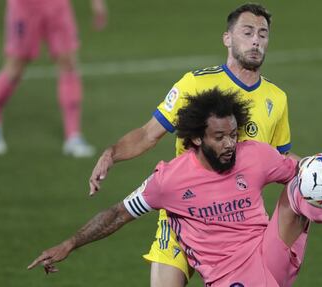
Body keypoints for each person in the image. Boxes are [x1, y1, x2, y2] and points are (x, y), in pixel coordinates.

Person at [28, 89, 322, 286]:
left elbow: (298, 171)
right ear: (196, 138)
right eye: (219, 137)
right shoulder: (170, 180)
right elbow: (118, 213)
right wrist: (71, 243)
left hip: (271, 253)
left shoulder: (254, 155)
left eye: (233, 135)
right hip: (230, 278)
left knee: (302, 180)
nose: (229, 144)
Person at [89, 3, 296, 286]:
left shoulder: (277, 98)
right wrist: (112, 154)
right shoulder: (194, 85)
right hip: (183, 214)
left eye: (262, 34)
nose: (256, 41)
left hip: (237, 227)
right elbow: (149, 134)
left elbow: (283, 160)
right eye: (247, 32)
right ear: (227, 38)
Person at [0, 0, 107, 157]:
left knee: (68, 63)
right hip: (24, 6)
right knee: (15, 67)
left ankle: (73, 136)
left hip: (56, 5)